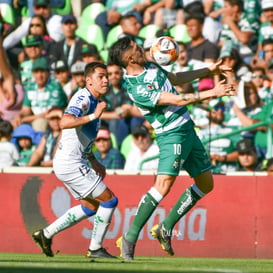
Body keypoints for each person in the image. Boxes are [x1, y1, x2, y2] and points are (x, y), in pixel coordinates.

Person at [109, 36, 235, 260]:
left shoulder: (150, 64)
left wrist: (209, 70)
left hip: (187, 129)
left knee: (206, 184)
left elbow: (175, 79)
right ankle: (129, 237)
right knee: (163, 185)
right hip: (171, 135)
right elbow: (176, 100)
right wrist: (211, 93)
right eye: (137, 48)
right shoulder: (136, 89)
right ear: (129, 57)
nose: (143, 48)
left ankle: (165, 228)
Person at [32, 62, 118, 259]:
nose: (106, 80)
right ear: (89, 81)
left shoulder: (94, 100)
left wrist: (94, 160)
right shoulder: (83, 97)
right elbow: (65, 122)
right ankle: (95, 249)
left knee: (91, 206)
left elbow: (83, 137)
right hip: (71, 163)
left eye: (106, 76)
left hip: (71, 161)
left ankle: (45, 234)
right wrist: (93, 116)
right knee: (110, 200)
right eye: (101, 76)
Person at [13, 57, 67, 132]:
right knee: (15, 123)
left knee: (40, 123)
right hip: (34, 118)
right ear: (32, 73)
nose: (39, 75)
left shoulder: (55, 87)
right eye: (36, 72)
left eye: (42, 72)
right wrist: (19, 116)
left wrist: (24, 119)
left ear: (48, 72)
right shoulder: (30, 87)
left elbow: (48, 114)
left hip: (52, 120)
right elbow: (26, 109)